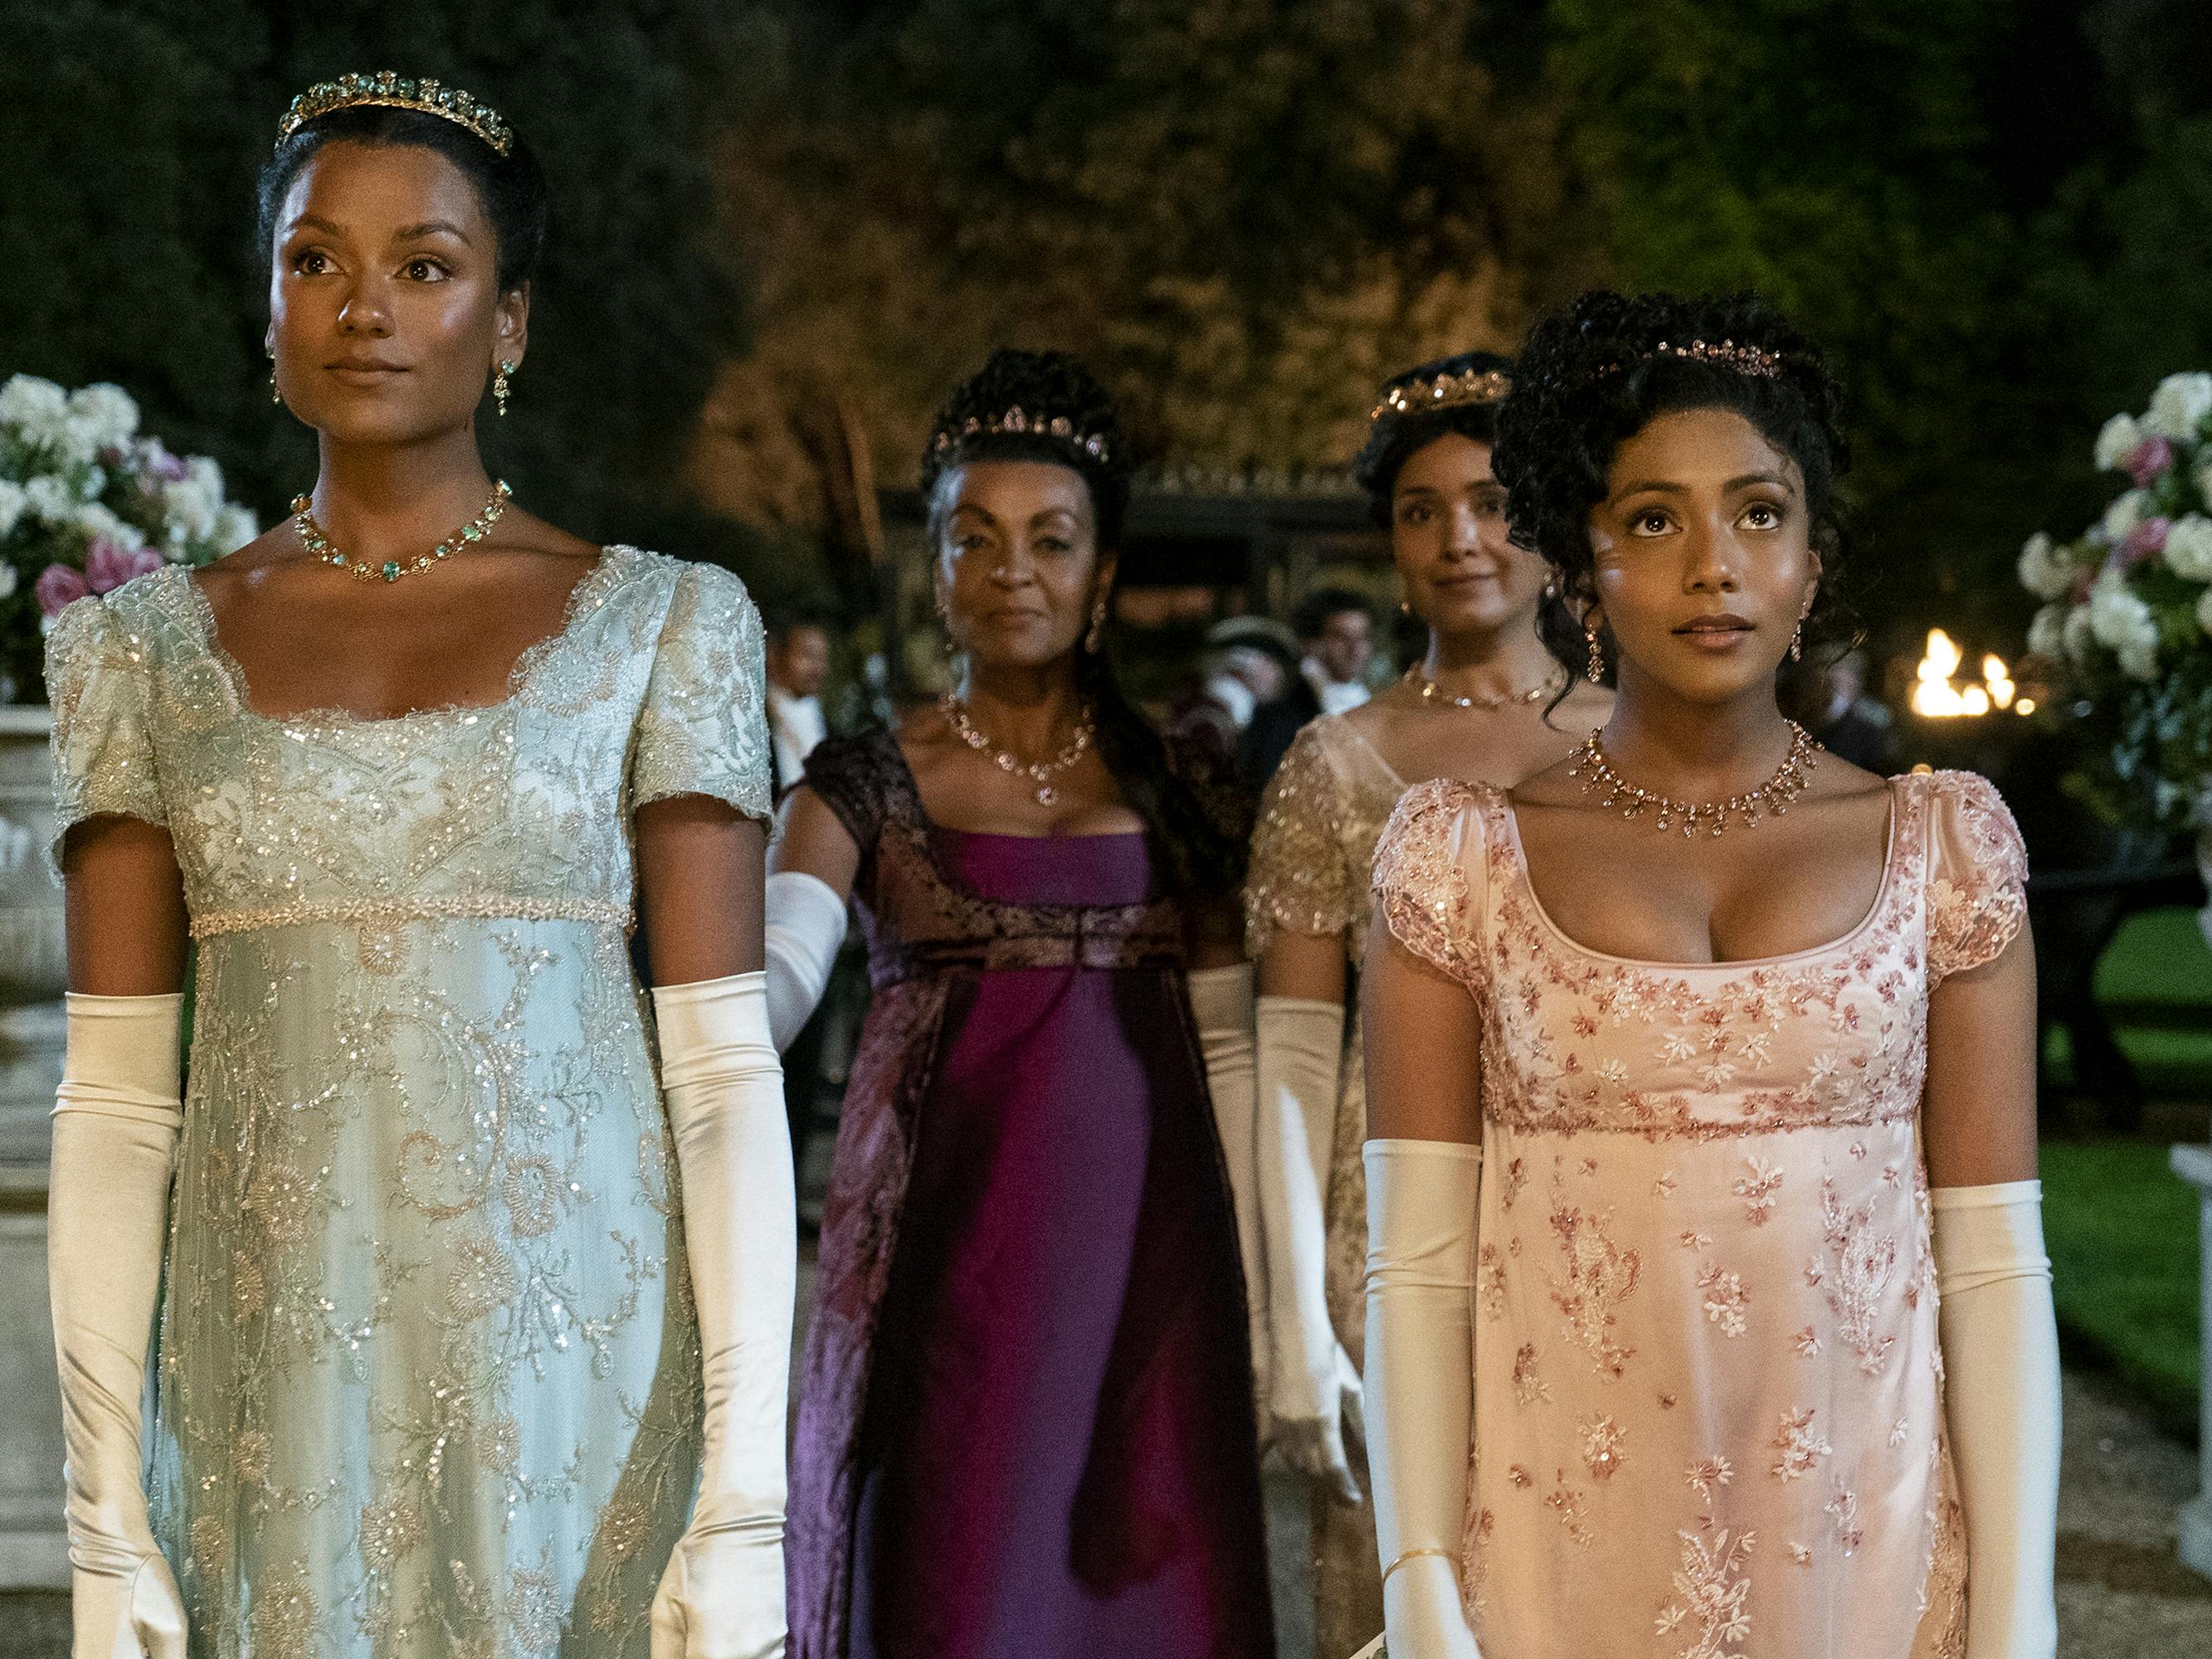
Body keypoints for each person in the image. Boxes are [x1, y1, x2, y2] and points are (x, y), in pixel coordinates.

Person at [44, 73, 793, 1659]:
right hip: (265, 1416)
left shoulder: (663, 625)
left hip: (587, 1409)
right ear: (264, 309)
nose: (363, 308)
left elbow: (723, 1080)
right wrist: (102, 1517)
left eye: (426, 266)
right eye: (316, 261)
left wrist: (744, 1503)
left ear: (508, 324)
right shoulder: (141, 655)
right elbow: (114, 1101)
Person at [1360, 292, 2059, 1659]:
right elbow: (1419, 1270)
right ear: (1580, 565)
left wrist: (2020, 1615)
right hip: (1552, 1561)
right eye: (1652, 520)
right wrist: (1416, 1577)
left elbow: (1993, 1266)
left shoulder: (1943, 850)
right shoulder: (1462, 861)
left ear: (1812, 559)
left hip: (1866, 1558)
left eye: (1756, 513)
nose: (1712, 568)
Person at [767, 350, 1273, 1659]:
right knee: (953, 1596)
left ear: (1101, 575)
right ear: (935, 567)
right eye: (974, 539)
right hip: (948, 1288)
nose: (1012, 572)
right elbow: (772, 983)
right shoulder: (856, 785)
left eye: (1050, 541)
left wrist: (1272, 1294)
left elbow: (1230, 1046)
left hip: (1157, 1279)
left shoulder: (1187, 782)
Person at [1244, 351, 1611, 1658]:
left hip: (1601, 1209)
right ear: (1389, 545)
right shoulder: (1334, 761)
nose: (1460, 538)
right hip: (1388, 1215)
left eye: (1493, 502)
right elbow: (1289, 1059)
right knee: (1403, 1588)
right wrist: (1292, 1324)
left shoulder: (1646, 740)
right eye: (1419, 510)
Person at [1240, 586, 1374, 788]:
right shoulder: (1279, 718)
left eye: (1362, 637)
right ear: (1312, 643)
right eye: (1341, 637)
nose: (1355, 649)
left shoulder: (1373, 704)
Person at [767, 606, 834, 795]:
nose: (817, 667)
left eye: (822, 657)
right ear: (777, 655)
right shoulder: (760, 717)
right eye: (807, 654)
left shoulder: (832, 725)